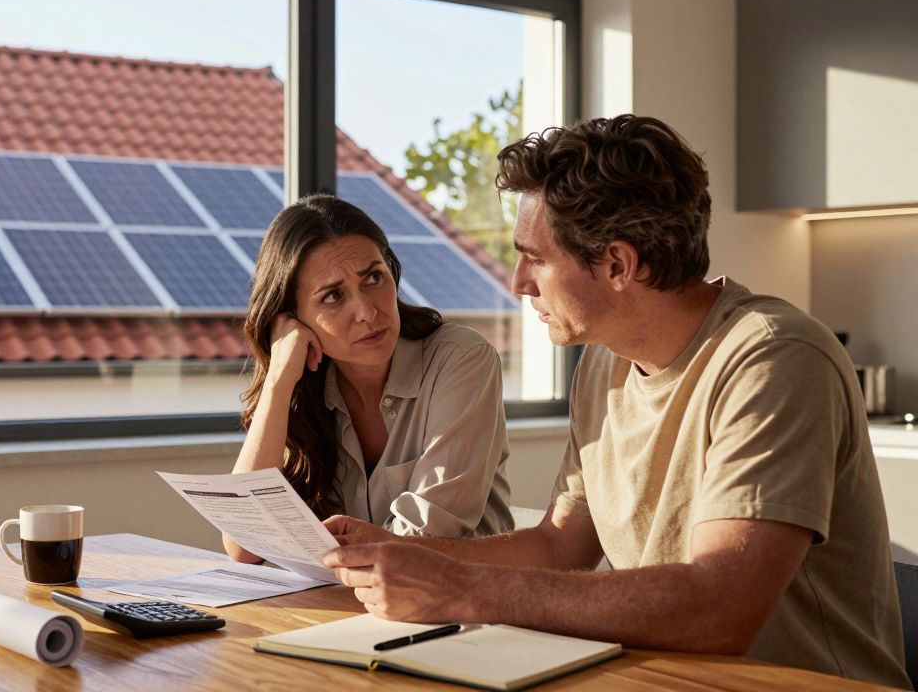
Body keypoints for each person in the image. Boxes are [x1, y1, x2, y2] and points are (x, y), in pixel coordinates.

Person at [320, 116, 910, 689]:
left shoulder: (773, 358)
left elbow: (720, 608)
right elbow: (559, 545)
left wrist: (461, 588)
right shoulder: (603, 363)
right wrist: (401, 550)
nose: (519, 283)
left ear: (618, 264)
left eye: (537, 258)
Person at [224, 195, 513, 564]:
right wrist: (279, 381)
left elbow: (430, 536)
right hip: (349, 606)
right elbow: (245, 545)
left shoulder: (460, 359)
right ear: (295, 318)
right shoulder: (307, 389)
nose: (366, 311)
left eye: (374, 277)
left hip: (466, 608)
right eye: (332, 296)